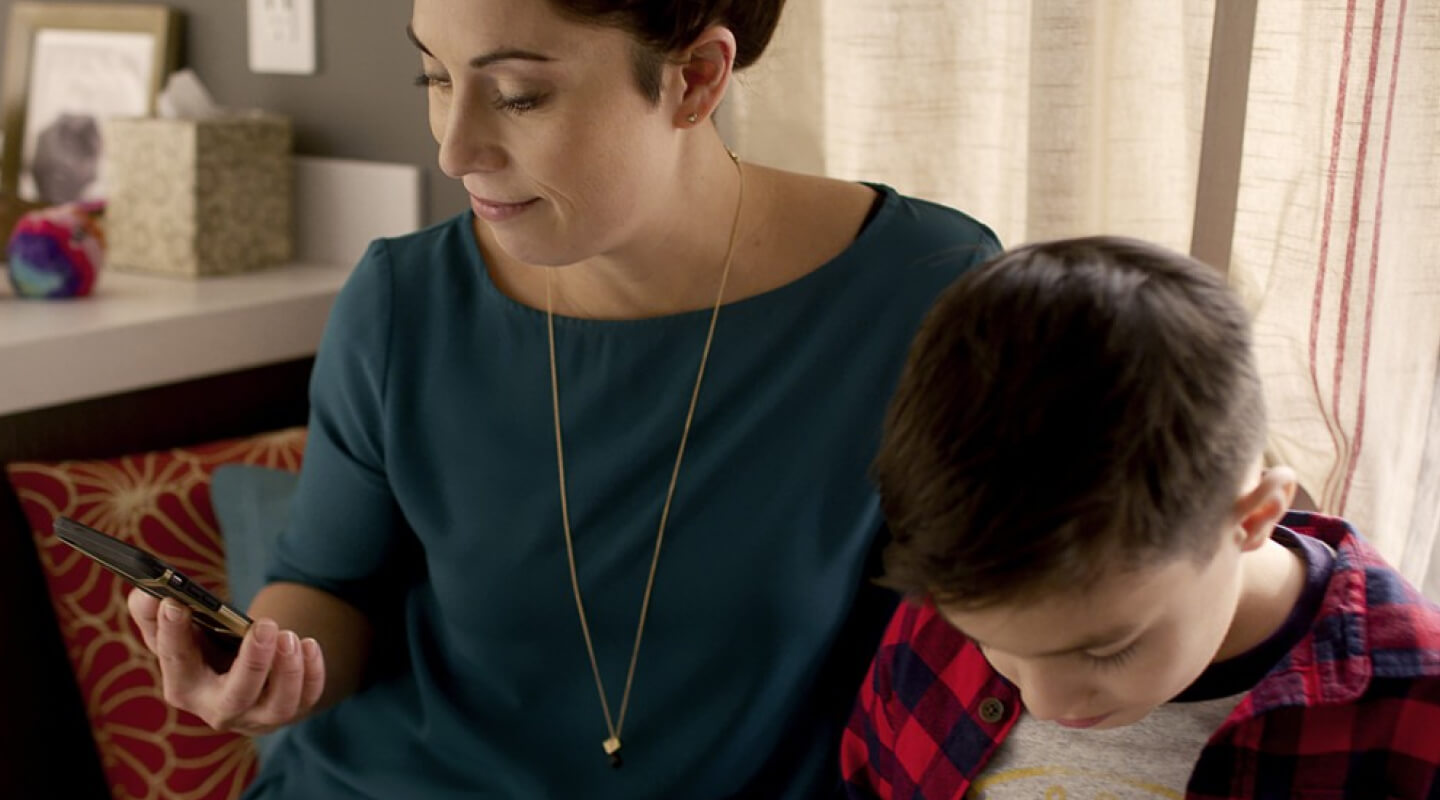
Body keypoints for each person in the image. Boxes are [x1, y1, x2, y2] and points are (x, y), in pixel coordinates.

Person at [126, 0, 1000, 797]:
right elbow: (328, 586)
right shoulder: (403, 302)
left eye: (518, 96)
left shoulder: (923, 291)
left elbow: (999, 616)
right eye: (435, 78)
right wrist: (265, 674)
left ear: (697, 79)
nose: (453, 150)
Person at [840, 236, 1440, 799]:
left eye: (1106, 651)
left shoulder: (1416, 713)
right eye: (986, 641)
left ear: (1253, 518)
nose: (1045, 702)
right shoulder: (957, 588)